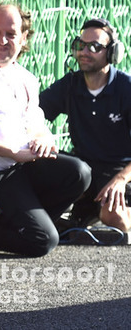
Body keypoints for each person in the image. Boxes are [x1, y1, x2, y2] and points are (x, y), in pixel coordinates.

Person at [0, 3, 91, 257]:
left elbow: (37, 124)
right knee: (41, 242)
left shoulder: (25, 78)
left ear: (23, 37)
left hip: (17, 170)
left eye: (10, 34)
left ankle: (16, 224)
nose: (2, 40)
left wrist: (43, 139)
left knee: (79, 172)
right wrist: (12, 152)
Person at [39, 18, 131, 233]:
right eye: (80, 45)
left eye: (95, 47)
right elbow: (33, 110)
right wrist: (40, 135)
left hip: (120, 171)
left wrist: (120, 180)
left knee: (112, 215)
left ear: (112, 53)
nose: (84, 52)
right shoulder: (70, 84)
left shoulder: (126, 89)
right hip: (85, 168)